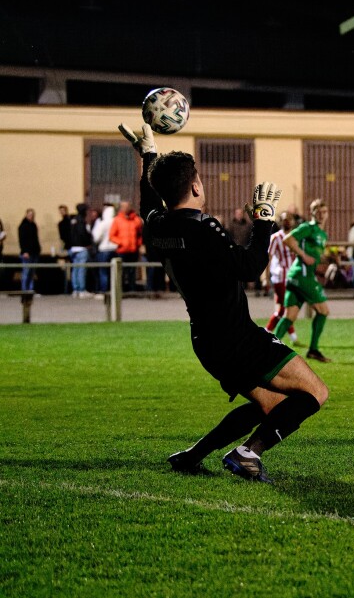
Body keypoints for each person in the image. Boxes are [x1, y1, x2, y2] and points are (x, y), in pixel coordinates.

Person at [119, 122, 328, 484]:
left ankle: (193, 456)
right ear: (197, 186)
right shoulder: (202, 229)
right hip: (237, 338)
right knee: (315, 393)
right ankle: (248, 453)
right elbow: (249, 267)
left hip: (206, 341)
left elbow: (148, 202)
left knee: (272, 406)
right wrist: (264, 221)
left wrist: (148, 155)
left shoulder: (158, 226)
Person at [274, 199, 333, 363]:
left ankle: (268, 349)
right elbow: (288, 239)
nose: (321, 214)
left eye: (324, 212)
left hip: (296, 277)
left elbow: (315, 254)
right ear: (312, 213)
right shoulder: (308, 227)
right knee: (323, 311)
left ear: (327, 214)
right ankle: (313, 349)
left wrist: (328, 260)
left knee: (289, 316)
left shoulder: (322, 234)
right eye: (318, 211)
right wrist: (303, 255)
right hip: (302, 275)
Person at [264, 212, 301, 346]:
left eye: (289, 219)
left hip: (292, 278)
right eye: (285, 219)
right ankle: (267, 332)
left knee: (288, 309)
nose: (287, 222)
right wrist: (266, 278)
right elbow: (269, 257)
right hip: (280, 277)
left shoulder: (296, 237)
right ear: (280, 222)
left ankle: (294, 338)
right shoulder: (276, 238)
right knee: (284, 309)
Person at [110, 200, 143, 292]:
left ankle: (132, 290)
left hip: (133, 250)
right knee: (121, 272)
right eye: (123, 206)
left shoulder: (136, 220)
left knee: (132, 271)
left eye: (127, 206)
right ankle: (121, 290)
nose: (125, 208)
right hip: (122, 251)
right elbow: (112, 236)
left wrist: (138, 244)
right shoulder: (117, 220)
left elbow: (140, 234)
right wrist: (121, 242)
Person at [67, 203, 94, 298]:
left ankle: (75, 289)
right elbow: (83, 234)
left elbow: (68, 234)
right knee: (81, 269)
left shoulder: (73, 220)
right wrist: (88, 242)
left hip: (73, 248)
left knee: (75, 269)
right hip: (82, 248)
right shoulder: (81, 221)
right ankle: (82, 289)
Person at [93, 204, 117, 293]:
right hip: (115, 249)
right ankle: (114, 290)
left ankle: (104, 291)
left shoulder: (103, 223)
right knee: (114, 272)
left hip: (104, 249)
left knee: (103, 272)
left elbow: (96, 237)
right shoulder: (116, 222)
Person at [18, 208, 41, 292]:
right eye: (29, 214)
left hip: (35, 252)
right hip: (27, 253)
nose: (31, 216)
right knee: (26, 273)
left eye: (32, 215)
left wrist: (38, 249)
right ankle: (24, 290)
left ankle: (30, 290)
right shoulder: (23, 226)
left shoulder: (34, 225)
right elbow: (22, 240)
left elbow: (35, 239)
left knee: (32, 273)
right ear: (26, 215)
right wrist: (25, 251)